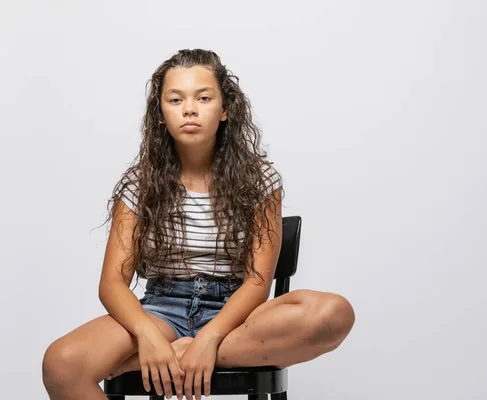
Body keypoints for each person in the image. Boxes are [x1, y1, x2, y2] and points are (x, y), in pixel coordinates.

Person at [42, 48, 355, 400]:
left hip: (237, 316)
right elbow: (113, 282)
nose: (189, 108)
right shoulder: (138, 184)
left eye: (203, 98)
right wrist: (146, 335)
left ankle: (177, 357)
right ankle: (164, 352)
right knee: (61, 363)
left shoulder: (261, 180)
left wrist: (208, 338)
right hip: (161, 311)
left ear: (224, 110)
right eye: (175, 100)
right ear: (160, 114)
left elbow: (256, 282)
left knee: (333, 314)